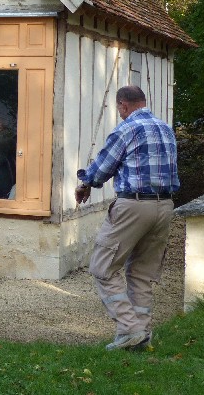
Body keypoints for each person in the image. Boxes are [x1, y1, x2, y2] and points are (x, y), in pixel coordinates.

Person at [76, 85, 179, 352]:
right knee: (142, 273)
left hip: (133, 205)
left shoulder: (126, 130)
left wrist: (85, 183)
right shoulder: (166, 129)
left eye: (119, 108)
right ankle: (141, 334)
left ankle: (130, 328)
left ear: (123, 105)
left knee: (102, 266)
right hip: (165, 206)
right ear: (143, 102)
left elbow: (102, 168)